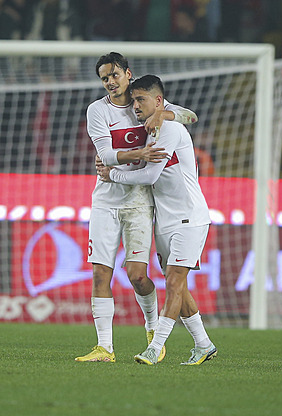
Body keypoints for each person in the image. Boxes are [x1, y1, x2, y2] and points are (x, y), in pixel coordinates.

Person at [75, 52, 198, 363]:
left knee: (137, 275)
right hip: (105, 198)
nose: (110, 82)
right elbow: (107, 154)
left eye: (114, 75)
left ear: (127, 74)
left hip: (140, 199)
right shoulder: (97, 111)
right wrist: (139, 152)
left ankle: (153, 329)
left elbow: (191, 117)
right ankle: (105, 348)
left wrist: (165, 115)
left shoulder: (146, 102)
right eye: (104, 78)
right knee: (100, 272)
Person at [98, 75, 216, 366]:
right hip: (164, 220)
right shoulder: (148, 130)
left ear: (159, 101)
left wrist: (113, 174)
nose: (136, 105)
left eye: (141, 99)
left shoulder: (171, 128)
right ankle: (204, 344)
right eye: (134, 100)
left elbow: (150, 176)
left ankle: (155, 347)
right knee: (178, 286)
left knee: (175, 282)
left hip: (190, 216)